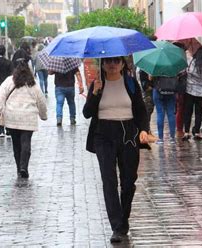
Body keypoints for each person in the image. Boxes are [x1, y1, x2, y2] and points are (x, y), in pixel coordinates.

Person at [83, 56, 151, 243]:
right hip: (103, 135)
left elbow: (140, 110)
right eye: (108, 61)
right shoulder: (97, 84)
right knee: (109, 180)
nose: (112, 64)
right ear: (103, 64)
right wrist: (95, 93)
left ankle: (124, 219)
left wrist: (144, 130)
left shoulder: (130, 83)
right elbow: (87, 113)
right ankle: (117, 226)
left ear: (122, 64)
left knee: (129, 181)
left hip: (128, 133)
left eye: (116, 61)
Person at [0, 58, 47, 178]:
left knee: (16, 144)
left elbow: (0, 99)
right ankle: (23, 167)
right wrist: (43, 115)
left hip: (12, 117)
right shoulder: (33, 83)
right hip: (29, 118)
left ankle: (18, 168)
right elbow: (41, 101)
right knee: (26, 142)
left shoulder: (8, 81)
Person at [182, 46, 202, 141]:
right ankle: (197, 132)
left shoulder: (191, 63)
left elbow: (186, 72)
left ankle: (186, 132)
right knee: (198, 113)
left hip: (190, 91)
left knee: (188, 112)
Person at [152, 76, 177, 144]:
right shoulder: (173, 66)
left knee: (160, 114)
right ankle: (172, 138)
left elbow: (150, 78)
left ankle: (160, 138)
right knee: (171, 114)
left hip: (158, 92)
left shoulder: (157, 66)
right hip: (171, 92)